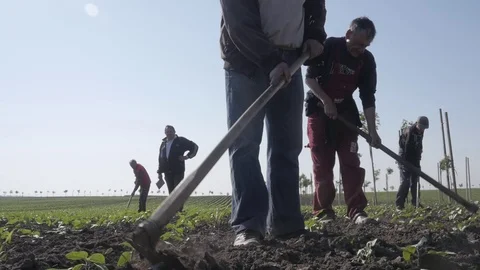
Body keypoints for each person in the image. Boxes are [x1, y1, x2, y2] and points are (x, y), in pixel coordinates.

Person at [219, 0, 327, 246]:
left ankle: (286, 224)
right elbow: (239, 21)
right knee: (244, 145)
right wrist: (270, 61)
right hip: (246, 60)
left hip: (292, 59)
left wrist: (314, 33)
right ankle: (248, 226)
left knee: (286, 148)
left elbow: (315, 5)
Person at [304, 17, 381, 225]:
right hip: (319, 110)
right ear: (348, 35)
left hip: (345, 113)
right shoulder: (330, 46)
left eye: (365, 47)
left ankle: (356, 210)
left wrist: (372, 131)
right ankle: (324, 212)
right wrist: (327, 101)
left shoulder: (367, 61)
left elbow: (368, 97)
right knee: (323, 164)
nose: (360, 50)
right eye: (357, 45)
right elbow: (309, 78)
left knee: (350, 161)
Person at [395, 116, 429, 210]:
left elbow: (419, 145)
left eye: (424, 128)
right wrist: (405, 163)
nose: (423, 129)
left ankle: (416, 203)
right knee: (405, 181)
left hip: (415, 158)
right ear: (417, 124)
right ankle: (399, 205)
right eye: (421, 127)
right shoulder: (409, 131)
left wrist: (418, 160)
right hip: (404, 158)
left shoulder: (421, 132)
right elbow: (406, 148)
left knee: (415, 181)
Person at [157, 125, 198, 198]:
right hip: (167, 171)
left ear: (174, 132)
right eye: (167, 132)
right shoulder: (163, 144)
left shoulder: (181, 140)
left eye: (170, 131)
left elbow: (194, 147)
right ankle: (172, 209)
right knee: (171, 191)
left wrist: (187, 157)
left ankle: (179, 208)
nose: (169, 133)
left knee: (178, 190)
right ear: (165, 133)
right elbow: (160, 158)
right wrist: (159, 172)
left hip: (178, 170)